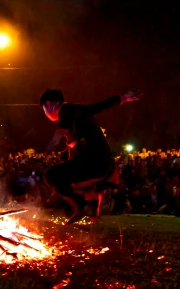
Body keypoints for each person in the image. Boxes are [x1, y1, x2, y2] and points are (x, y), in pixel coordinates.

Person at [41, 88, 143, 223]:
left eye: (43, 109)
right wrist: (123, 97)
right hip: (105, 164)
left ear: (48, 104)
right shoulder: (79, 112)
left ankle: (81, 206)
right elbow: (102, 105)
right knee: (69, 177)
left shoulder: (65, 110)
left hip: (93, 163)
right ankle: (92, 207)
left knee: (51, 176)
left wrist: (50, 146)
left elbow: (61, 131)